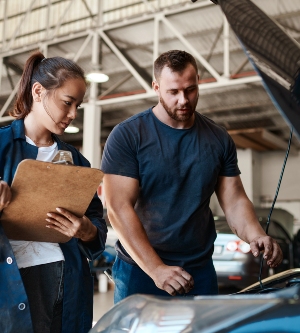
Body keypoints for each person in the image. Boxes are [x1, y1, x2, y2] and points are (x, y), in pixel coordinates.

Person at [101, 49, 283, 304]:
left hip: (199, 268)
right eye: (173, 92)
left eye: (190, 89)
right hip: (140, 268)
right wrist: (156, 269)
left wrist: (256, 235)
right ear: (156, 87)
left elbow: (235, 201)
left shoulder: (218, 139)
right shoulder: (128, 136)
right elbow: (118, 209)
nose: (183, 100)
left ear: (199, 81)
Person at [0, 51, 107, 333]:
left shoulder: (77, 161)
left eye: (78, 106)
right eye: (67, 102)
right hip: (14, 282)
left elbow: (98, 223)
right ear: (38, 91)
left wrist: (87, 231)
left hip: (67, 280)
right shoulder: (1, 147)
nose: (72, 114)